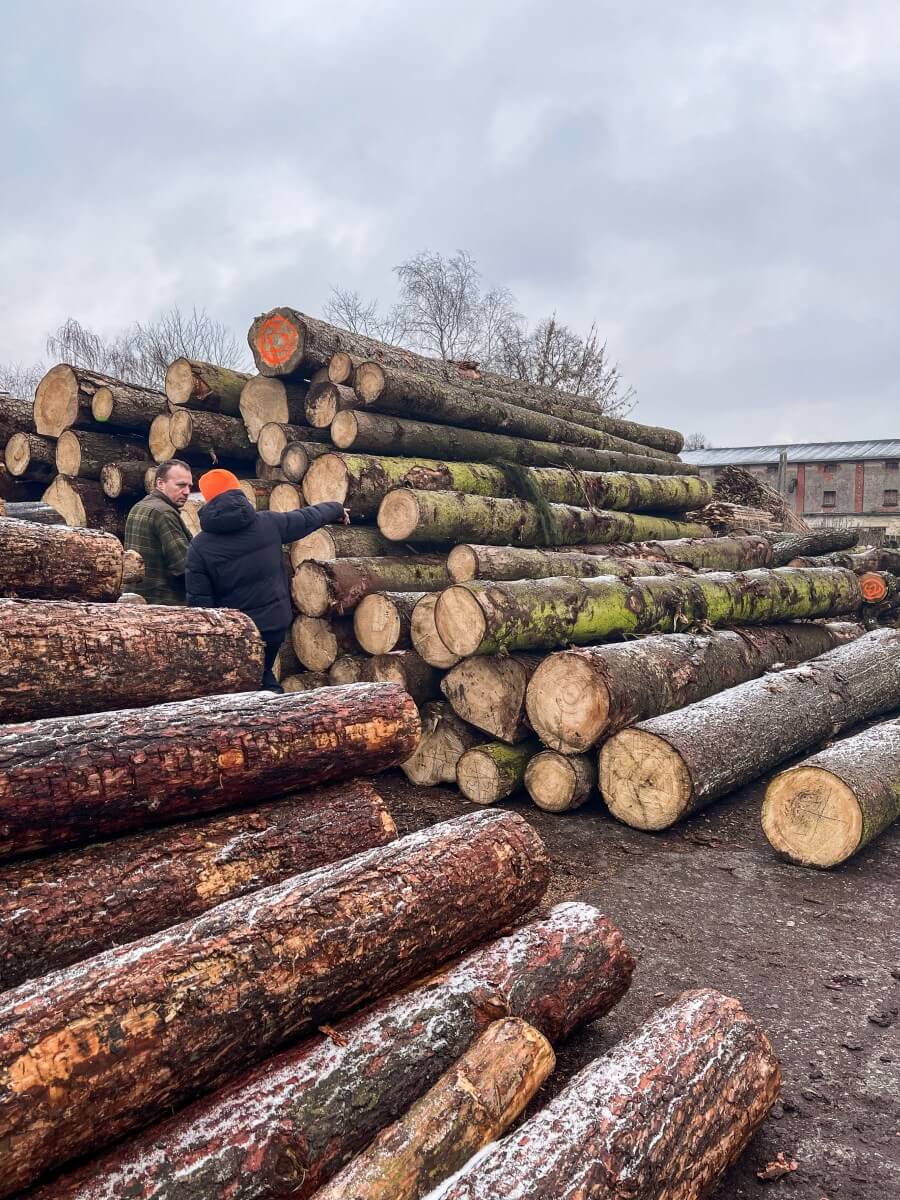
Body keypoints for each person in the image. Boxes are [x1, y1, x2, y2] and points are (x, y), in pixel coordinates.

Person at [186, 469, 346, 691]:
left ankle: (271, 712)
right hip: (274, 623)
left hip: (236, 630)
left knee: (250, 681)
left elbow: (199, 602)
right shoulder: (269, 522)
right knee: (261, 673)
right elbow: (308, 518)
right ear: (237, 491)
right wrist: (336, 509)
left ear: (207, 499)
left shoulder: (199, 546)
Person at [124, 459, 193, 605]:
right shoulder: (164, 513)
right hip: (164, 602)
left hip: (136, 600)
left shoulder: (138, 506)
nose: (187, 492)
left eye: (189, 486)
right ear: (160, 483)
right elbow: (183, 566)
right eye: (181, 485)